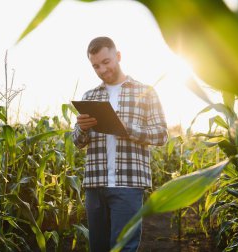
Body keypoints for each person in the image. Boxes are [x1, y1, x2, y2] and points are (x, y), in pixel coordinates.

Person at [72, 36, 168, 252]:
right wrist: (83, 128)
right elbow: (77, 142)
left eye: (106, 62)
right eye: (96, 66)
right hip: (95, 184)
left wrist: (126, 128)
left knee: (124, 248)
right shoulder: (90, 96)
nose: (102, 70)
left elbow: (161, 135)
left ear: (118, 56)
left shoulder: (145, 93)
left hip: (128, 183)